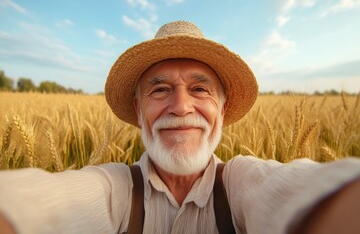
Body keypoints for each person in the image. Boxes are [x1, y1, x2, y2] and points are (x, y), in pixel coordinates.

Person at [0, 20, 360, 234]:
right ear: (139, 111)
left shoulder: (240, 184)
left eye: (200, 89)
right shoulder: (116, 190)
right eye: (160, 90)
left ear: (223, 107)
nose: (181, 106)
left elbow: (298, 191)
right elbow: (46, 203)